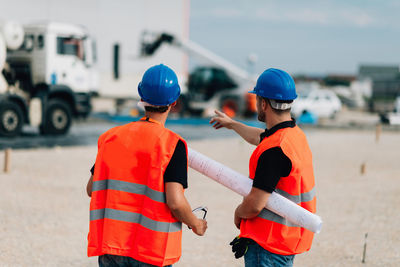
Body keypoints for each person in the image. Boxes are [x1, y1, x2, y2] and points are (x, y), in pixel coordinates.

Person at [86, 64, 207, 267]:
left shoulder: (111, 138)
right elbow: (176, 202)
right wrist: (195, 223)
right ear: (174, 102)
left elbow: (92, 189)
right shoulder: (172, 144)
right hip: (151, 250)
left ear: (141, 97)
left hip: (112, 245)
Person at [210, 68, 316, 267]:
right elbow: (259, 137)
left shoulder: (274, 150)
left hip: (268, 246)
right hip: (286, 239)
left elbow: (255, 205)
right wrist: (232, 124)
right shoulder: (293, 136)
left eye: (257, 99)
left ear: (264, 103)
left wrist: (239, 212)